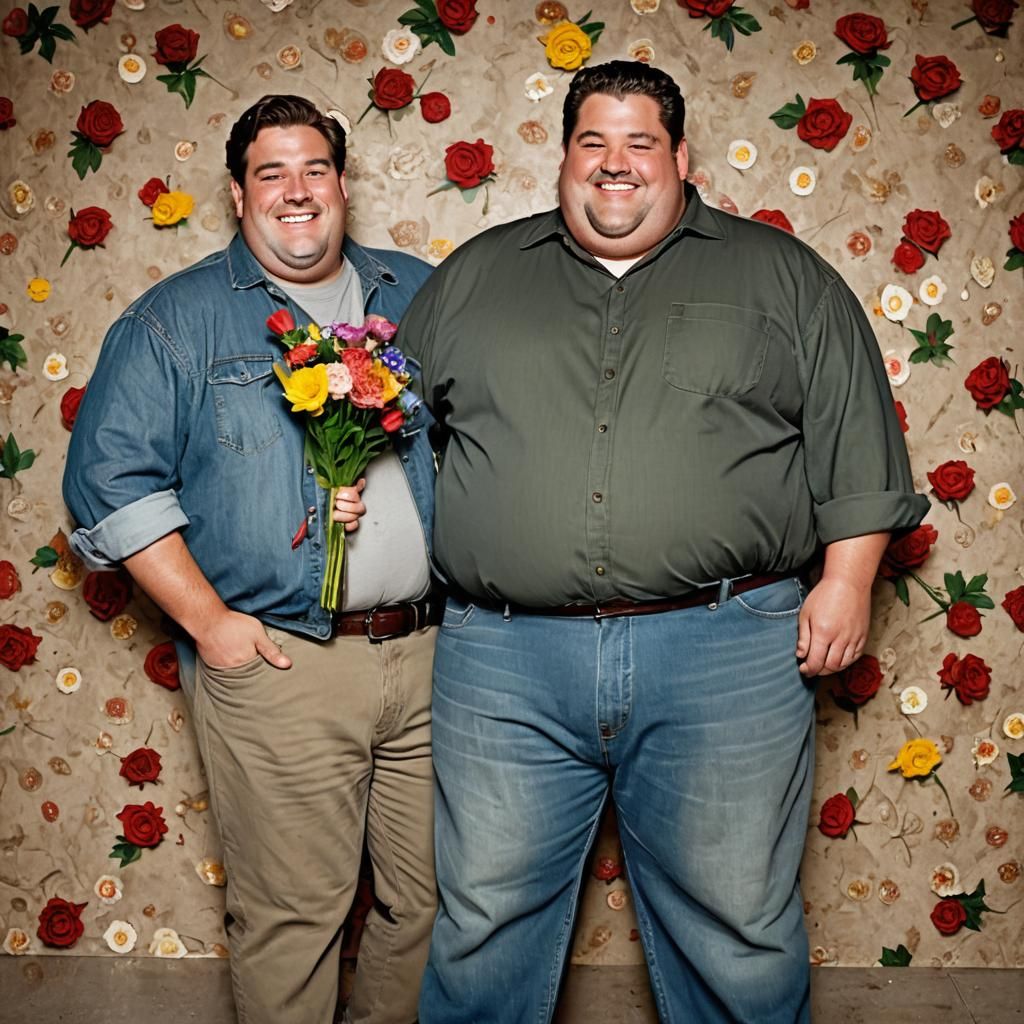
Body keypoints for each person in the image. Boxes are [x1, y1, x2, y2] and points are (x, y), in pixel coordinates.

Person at [397, 62, 929, 1024]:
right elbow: (387, 432)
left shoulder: (781, 274)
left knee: (738, 922)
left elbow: (856, 438)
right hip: (504, 657)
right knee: (483, 918)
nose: (616, 164)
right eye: (593, 142)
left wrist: (847, 582)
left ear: (680, 156)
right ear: (562, 157)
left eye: (639, 141)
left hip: (724, 650)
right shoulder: (476, 276)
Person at [63, 95, 439, 1024]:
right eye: (271, 173)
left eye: (314, 168)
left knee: (437, 902)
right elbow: (109, 483)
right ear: (238, 194)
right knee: (295, 917)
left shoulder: (420, 294)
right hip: (280, 665)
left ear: (343, 184)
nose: (296, 191)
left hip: (436, 659)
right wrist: (211, 625)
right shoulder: (176, 321)